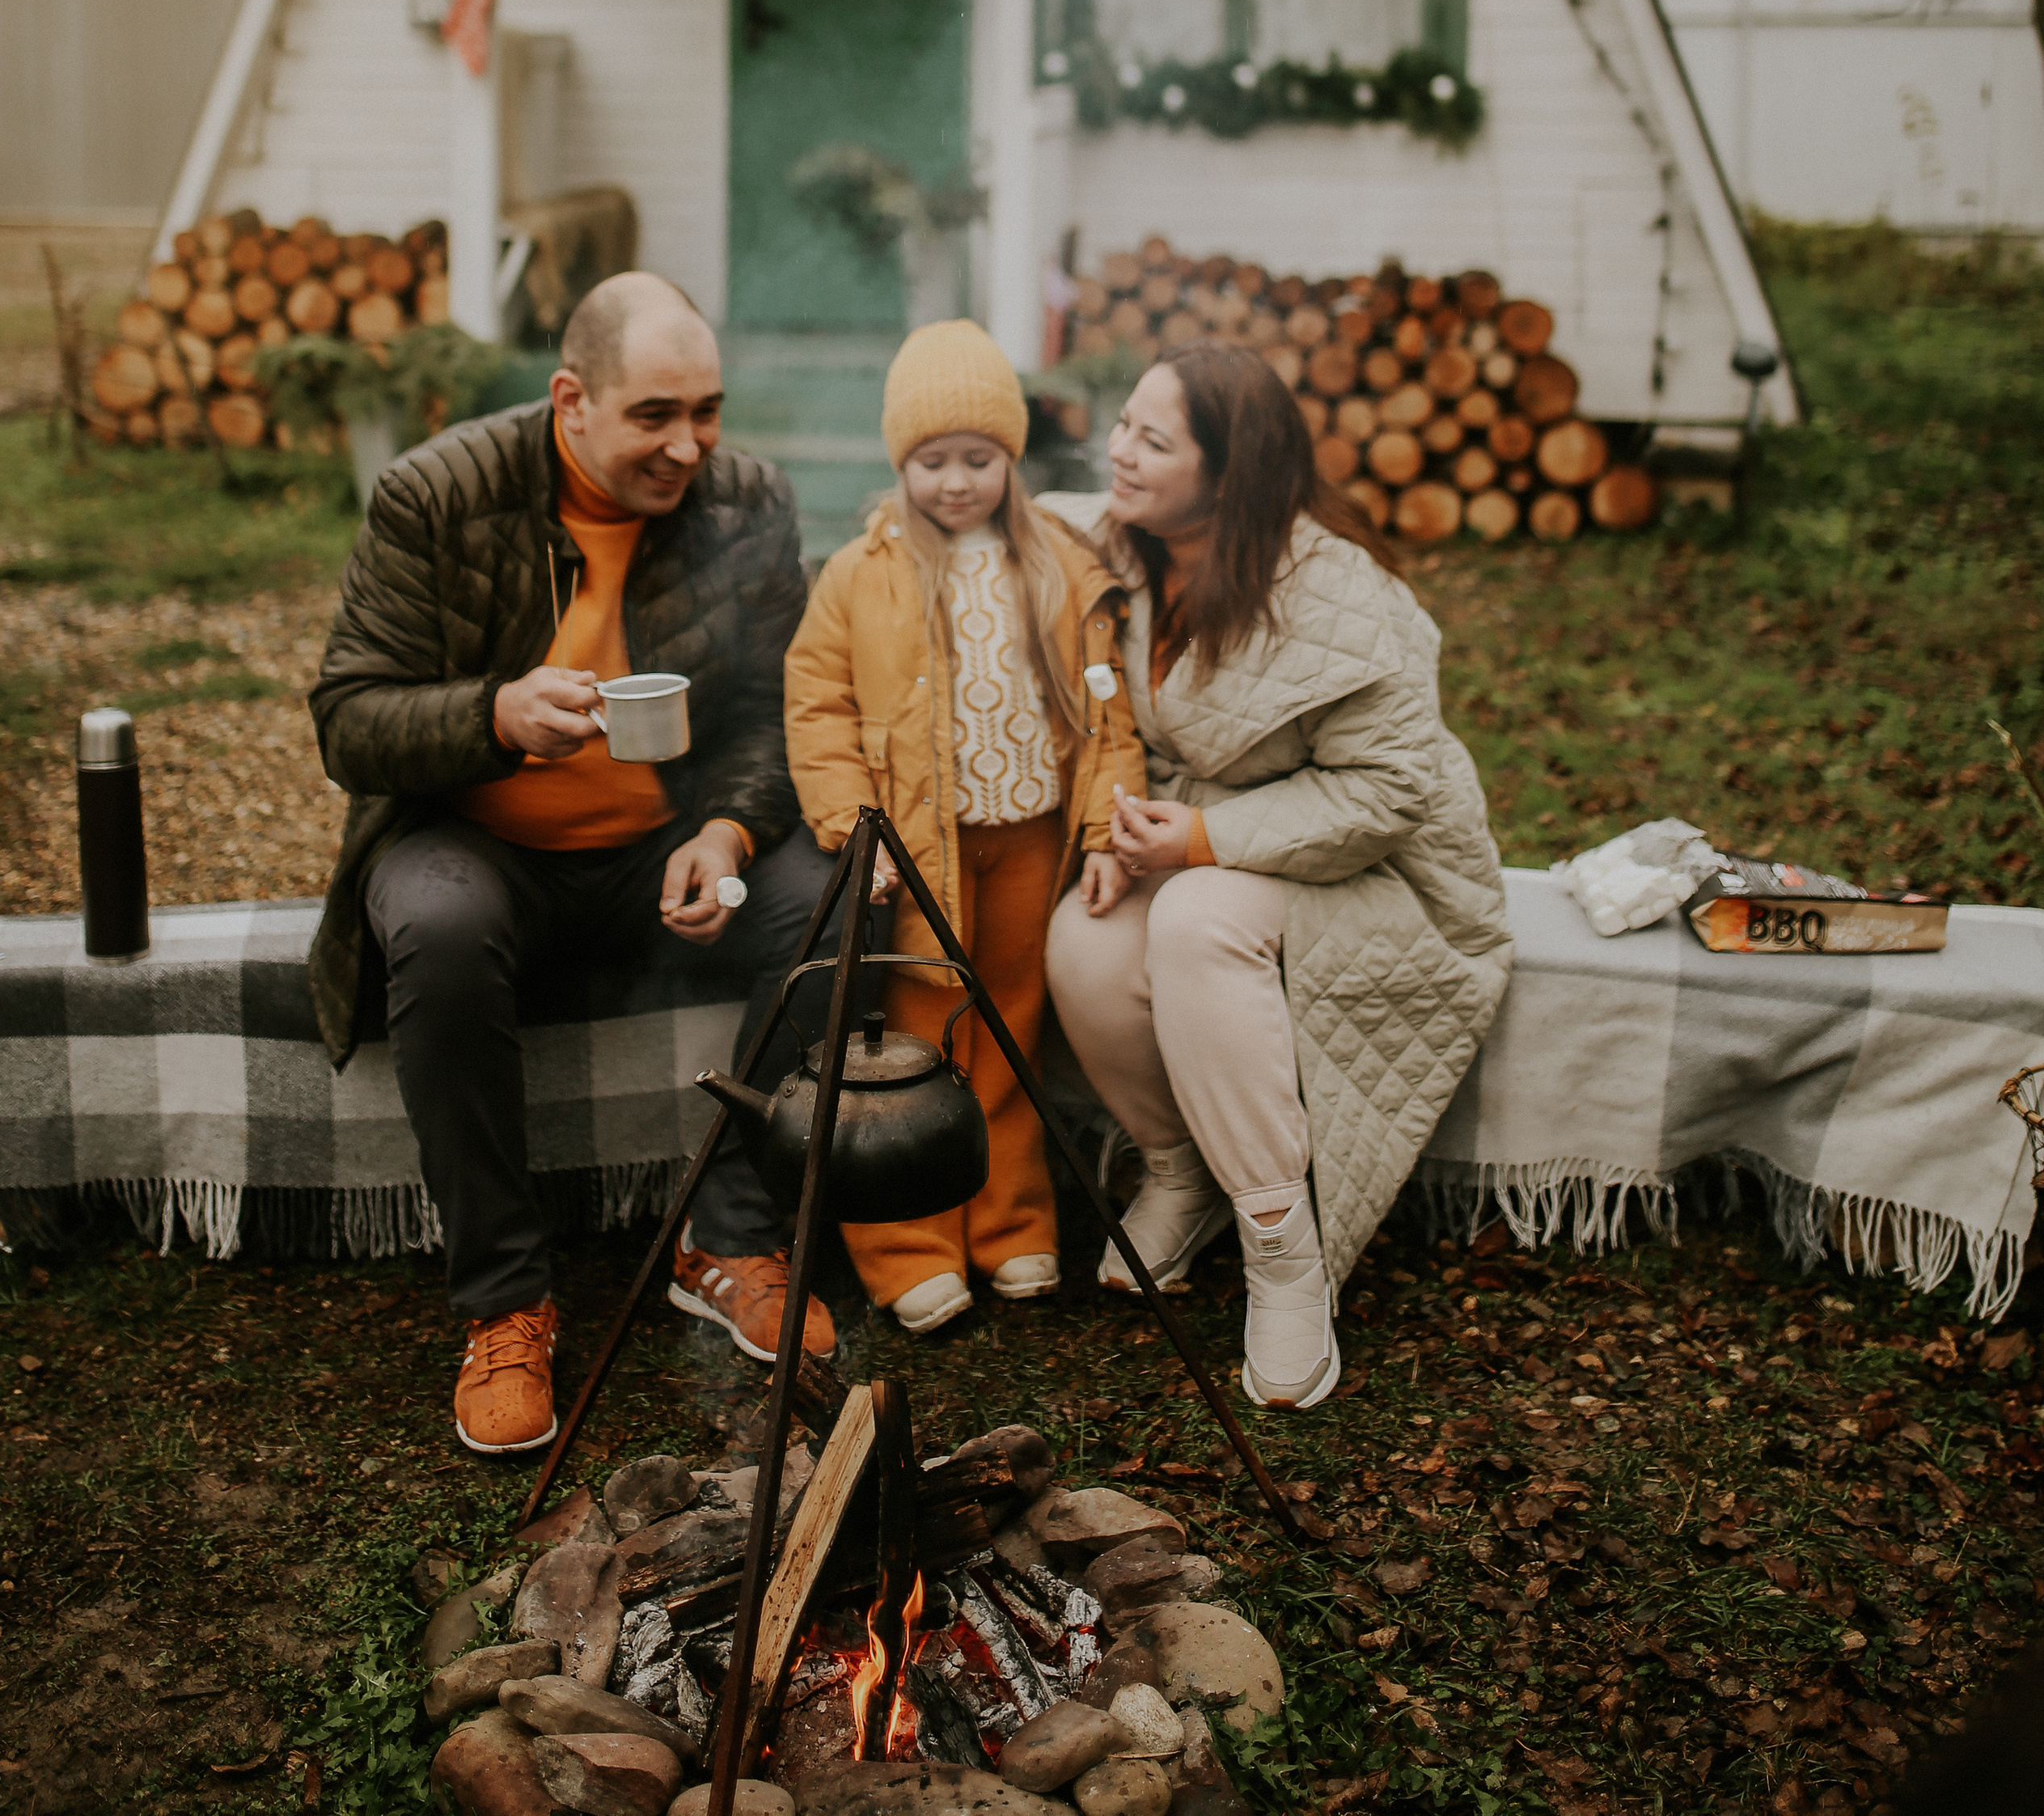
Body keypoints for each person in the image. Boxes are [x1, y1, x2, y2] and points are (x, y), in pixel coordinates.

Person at [307, 271, 853, 1456]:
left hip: (661, 849)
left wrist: (730, 831)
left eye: (705, 410)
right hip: (477, 846)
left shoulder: (747, 499)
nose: (690, 444)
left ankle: (730, 1238)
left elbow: (772, 708)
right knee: (436, 928)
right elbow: (348, 719)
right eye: (655, 415)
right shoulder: (436, 495)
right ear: (571, 402)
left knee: (824, 896)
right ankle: (504, 1302)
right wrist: (494, 714)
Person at [1044, 341, 1512, 1412]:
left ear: (1230, 472)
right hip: (1212, 833)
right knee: (1082, 935)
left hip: (1382, 868)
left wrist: (1199, 847)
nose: (1117, 451)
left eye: (1152, 442)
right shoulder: (1127, 544)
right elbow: (1007, 522)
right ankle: (1180, 1170)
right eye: (1121, 425)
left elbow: (1388, 797)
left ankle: (1282, 1252)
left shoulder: (1338, 591)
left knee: (1195, 922)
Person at [786, 320, 1145, 1336]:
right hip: (917, 850)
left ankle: (1012, 1221)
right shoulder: (864, 571)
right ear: (901, 461)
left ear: (1011, 458)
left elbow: (1104, 707)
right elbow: (815, 705)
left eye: (978, 459)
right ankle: (908, 1244)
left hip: (1028, 838)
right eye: (933, 461)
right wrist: (852, 831)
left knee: (1008, 1028)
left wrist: (1106, 825)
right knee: (914, 1038)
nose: (956, 482)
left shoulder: (1058, 567)